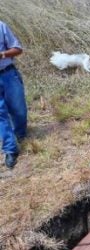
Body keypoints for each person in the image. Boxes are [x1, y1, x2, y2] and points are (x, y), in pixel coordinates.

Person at [0, 20, 27, 169]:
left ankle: (20, 135)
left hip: (8, 74)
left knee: (18, 110)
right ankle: (10, 149)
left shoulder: (1, 26)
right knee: (0, 115)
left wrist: (2, 54)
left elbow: (17, 49)